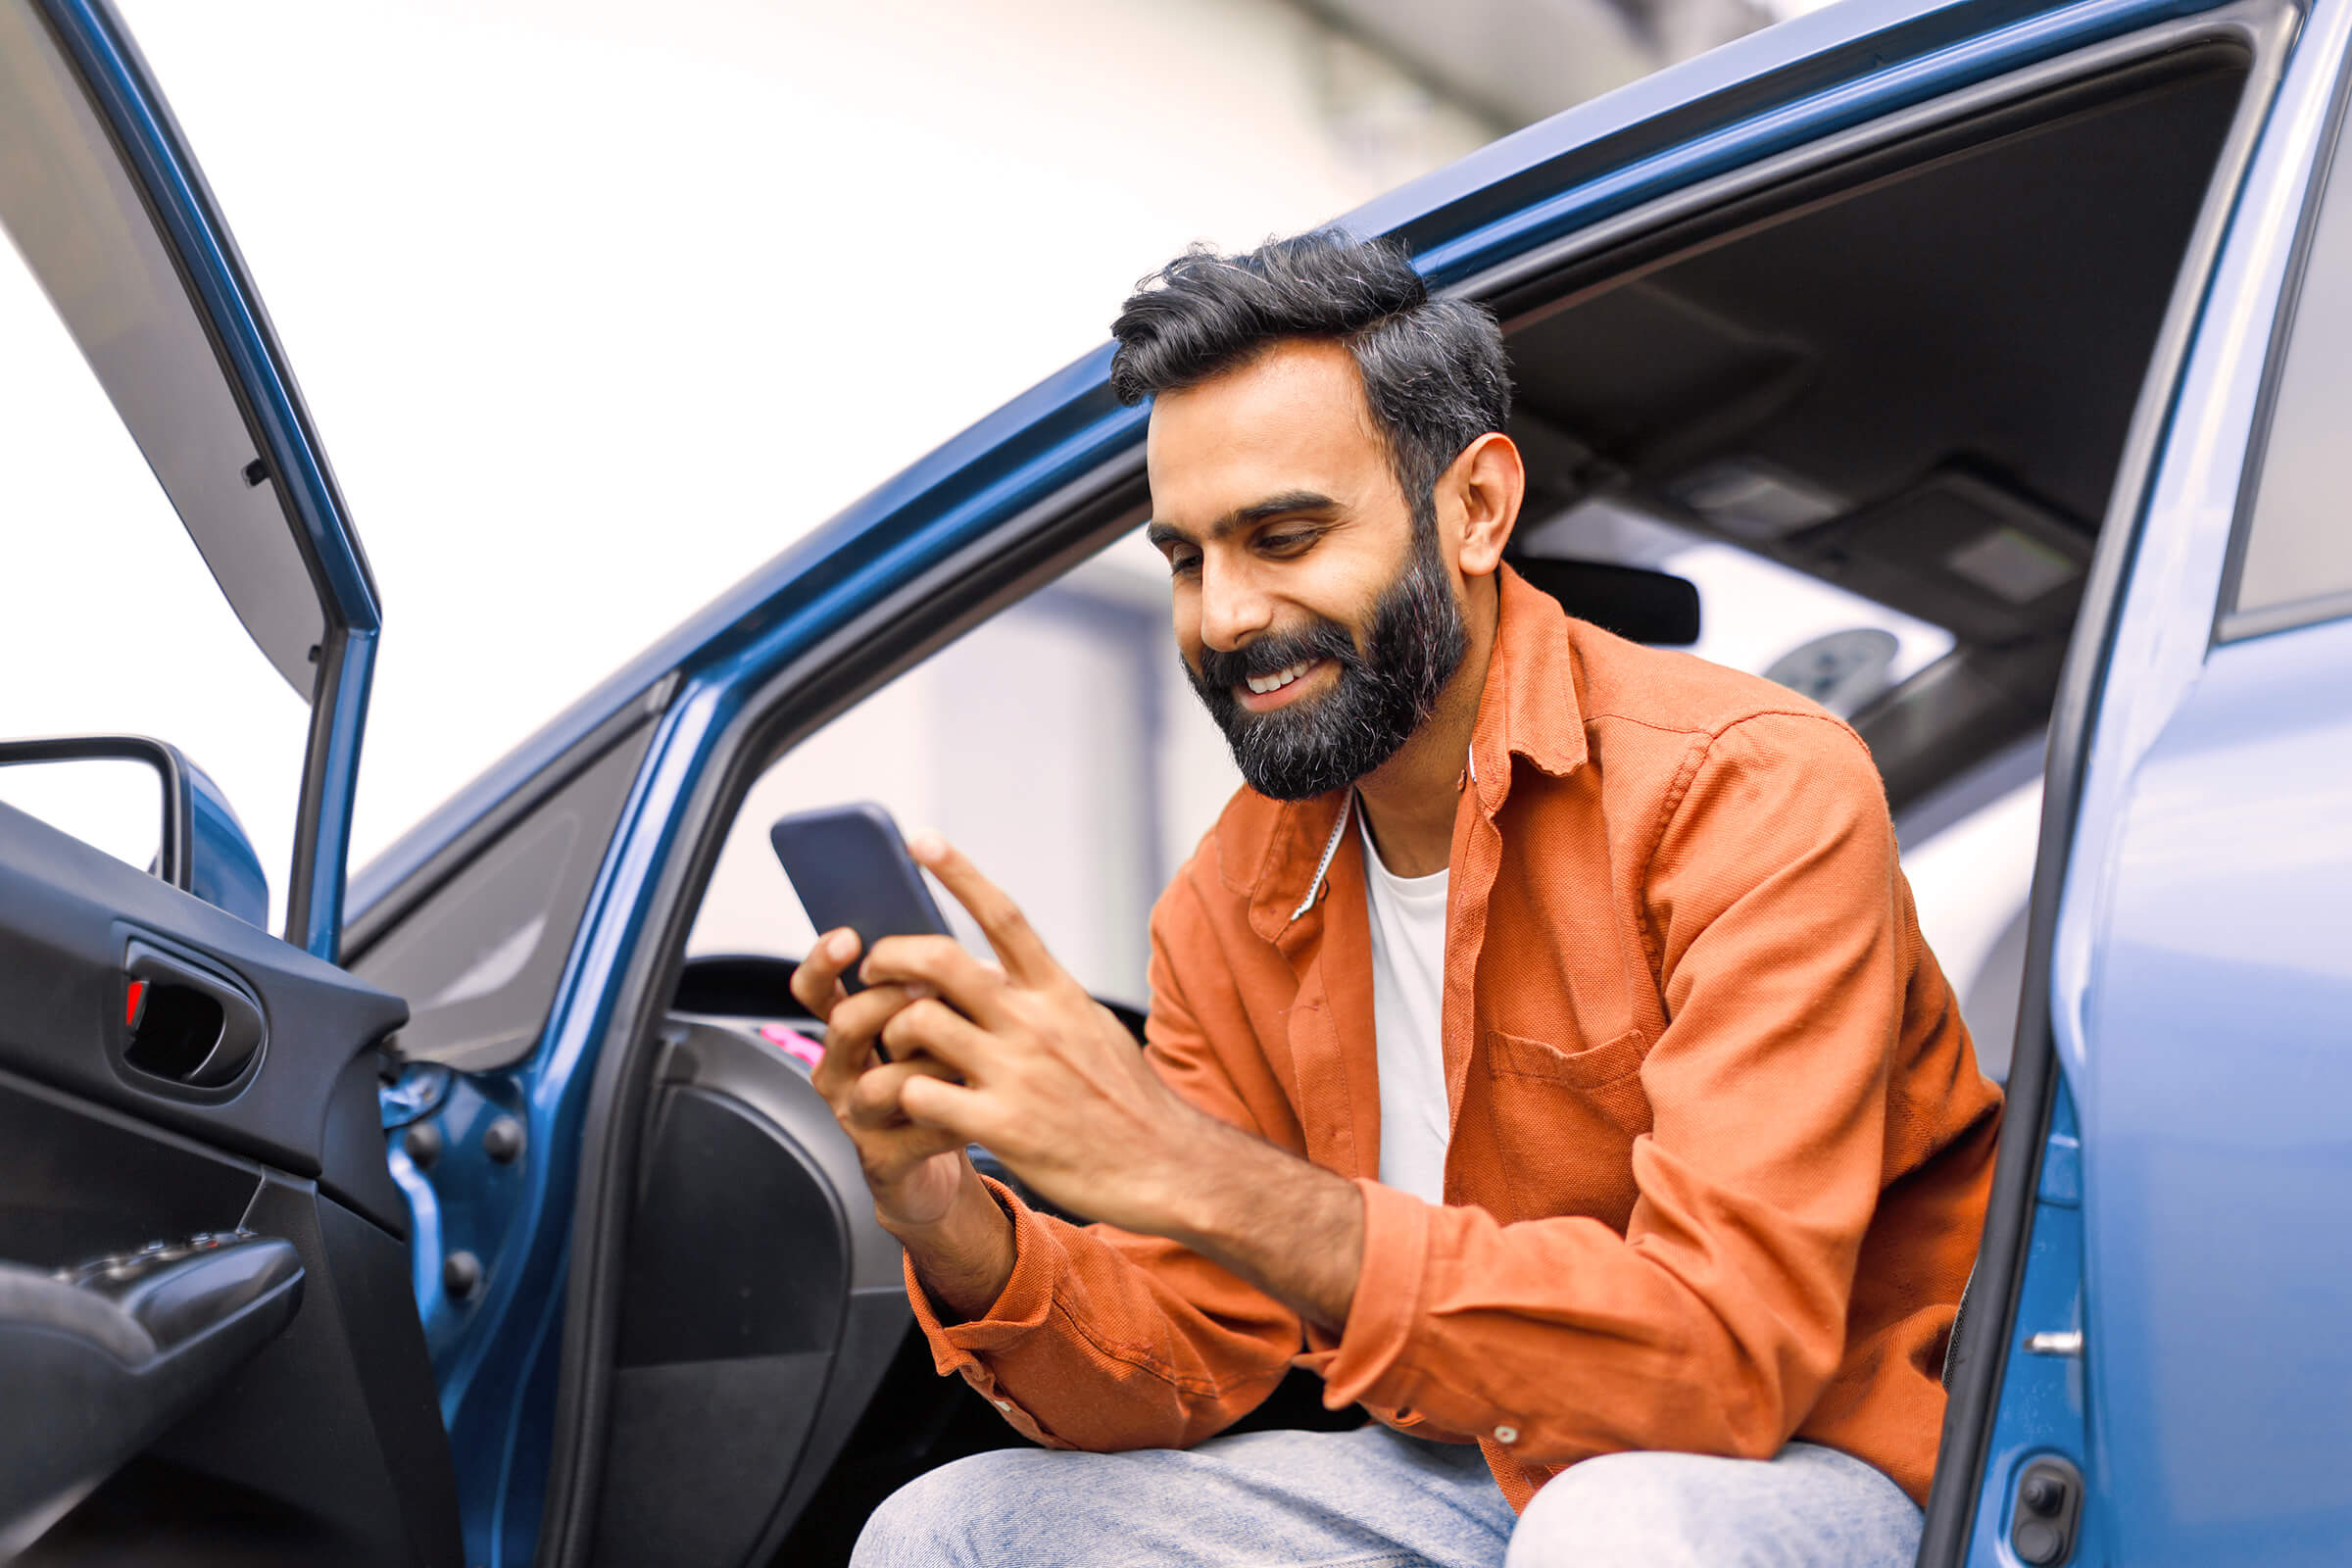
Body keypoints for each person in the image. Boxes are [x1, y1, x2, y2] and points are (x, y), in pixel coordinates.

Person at [789, 231, 2003, 1567]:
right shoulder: (1228, 897)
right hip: (1463, 1470)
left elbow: (1726, 1360)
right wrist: (950, 1218)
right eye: (1187, 558)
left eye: (1285, 537)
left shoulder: (1750, 785)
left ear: (1476, 508)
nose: (1225, 614)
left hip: (1801, 1459)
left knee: (1616, 1530)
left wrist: (1187, 1168)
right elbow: (1189, 1353)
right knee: (953, 1532)